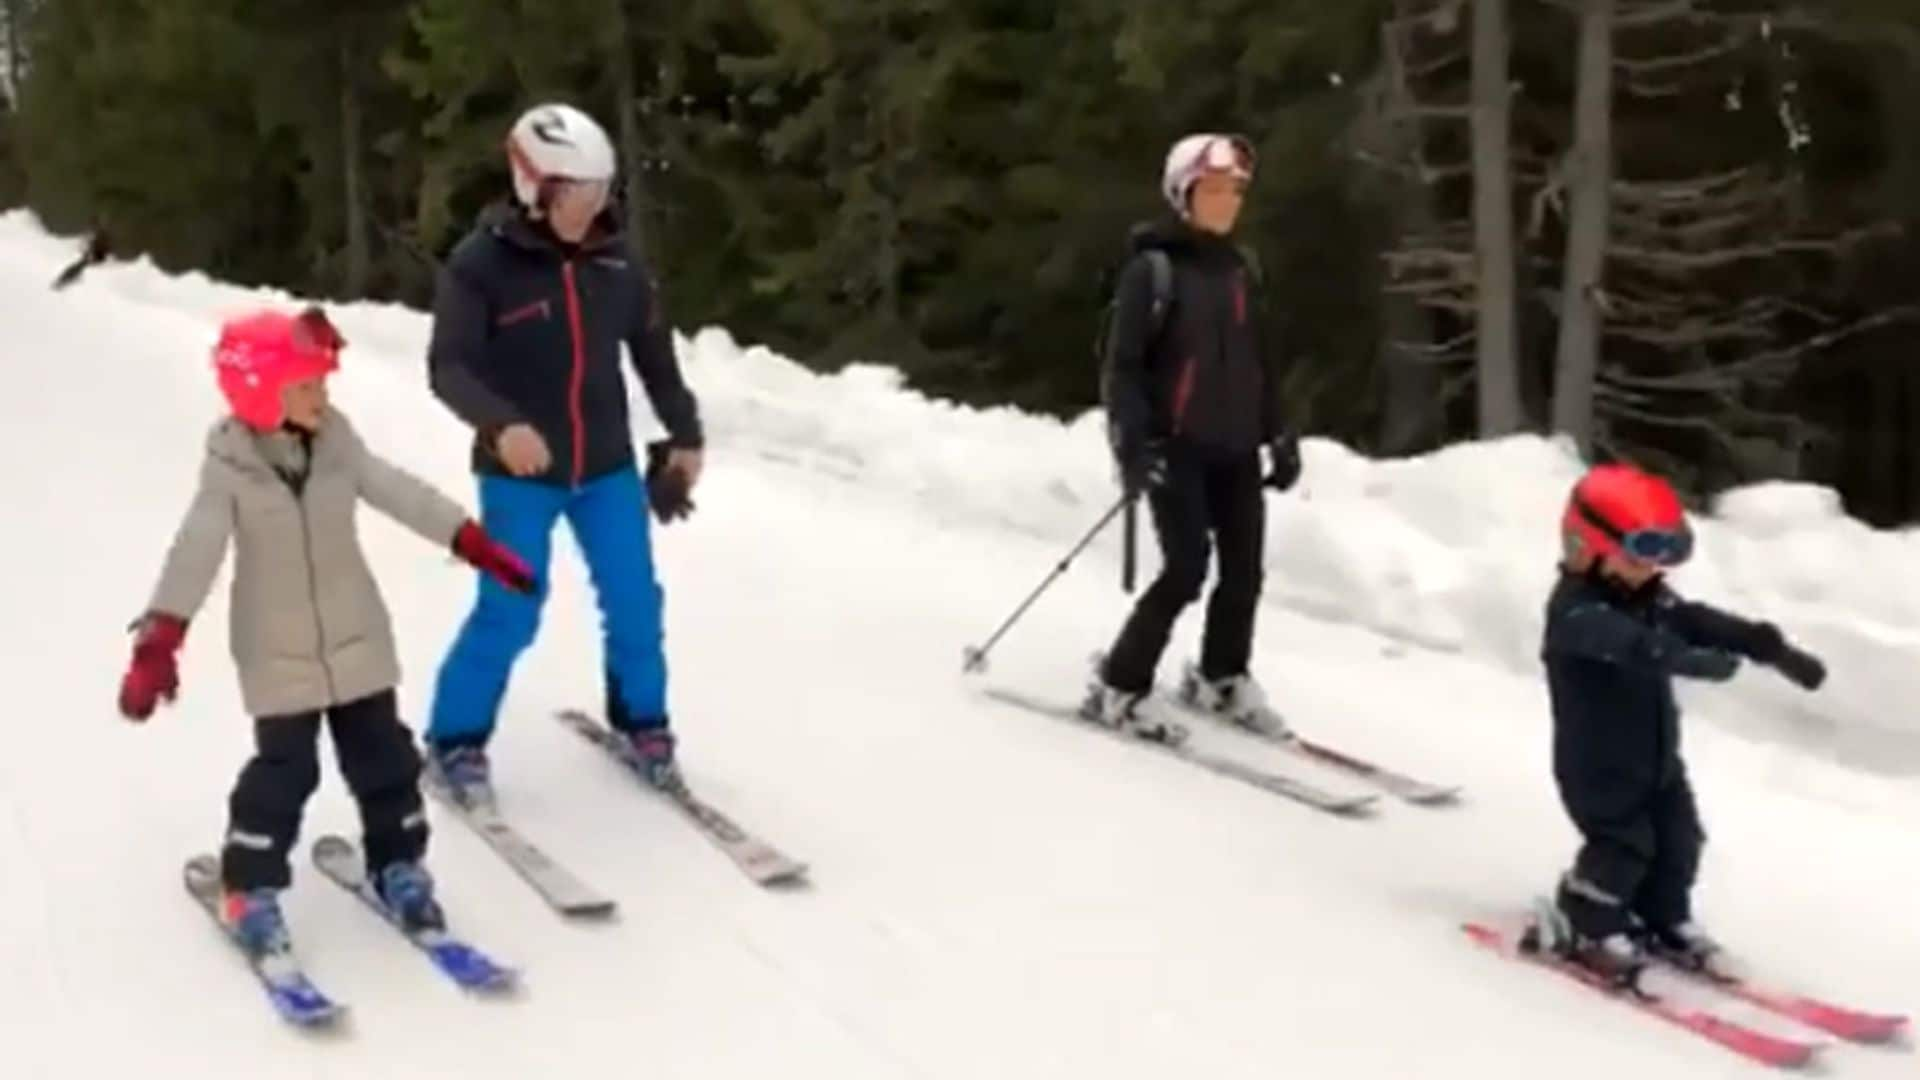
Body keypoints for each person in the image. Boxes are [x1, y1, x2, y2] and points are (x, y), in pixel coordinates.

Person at [116, 306, 536, 956]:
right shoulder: (231, 469)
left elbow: (398, 491)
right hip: (277, 654)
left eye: (322, 383)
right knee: (284, 772)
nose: (323, 397)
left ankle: (399, 865)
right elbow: (194, 552)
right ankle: (249, 887)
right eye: (306, 386)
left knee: (386, 759)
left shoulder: (338, 443)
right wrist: (159, 639)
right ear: (260, 392)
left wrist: (469, 537)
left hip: (357, 637)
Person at [421, 102, 704, 804]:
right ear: (534, 186)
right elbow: (448, 366)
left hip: (605, 465)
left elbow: (654, 357)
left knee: (637, 600)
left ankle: (645, 724)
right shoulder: (481, 265)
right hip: (521, 474)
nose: (592, 206)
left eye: (601, 190)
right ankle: (455, 739)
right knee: (512, 608)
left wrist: (685, 435)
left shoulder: (617, 262)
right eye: (577, 192)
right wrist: (500, 426)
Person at [1525, 463, 1826, 983]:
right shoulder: (1575, 615)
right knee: (1624, 845)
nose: (1653, 569)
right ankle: (1585, 917)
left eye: (1666, 555)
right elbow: (1637, 645)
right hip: (1599, 767)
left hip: (1658, 758)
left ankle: (1664, 917)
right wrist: (1691, 661)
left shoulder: (1646, 596)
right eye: (1640, 554)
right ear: (1588, 545)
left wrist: (1758, 641)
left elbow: (1692, 620)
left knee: (1680, 839)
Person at [1087, 132, 1302, 742]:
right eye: (1213, 190)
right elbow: (1122, 368)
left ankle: (1221, 675)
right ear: (1183, 194)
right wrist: (1134, 447)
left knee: (1245, 571)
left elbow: (1261, 360)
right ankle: (1120, 684)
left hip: (1235, 447)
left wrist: (1279, 432)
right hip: (1174, 447)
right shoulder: (1152, 271)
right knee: (1186, 569)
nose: (1227, 202)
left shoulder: (1241, 270)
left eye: (1234, 191)